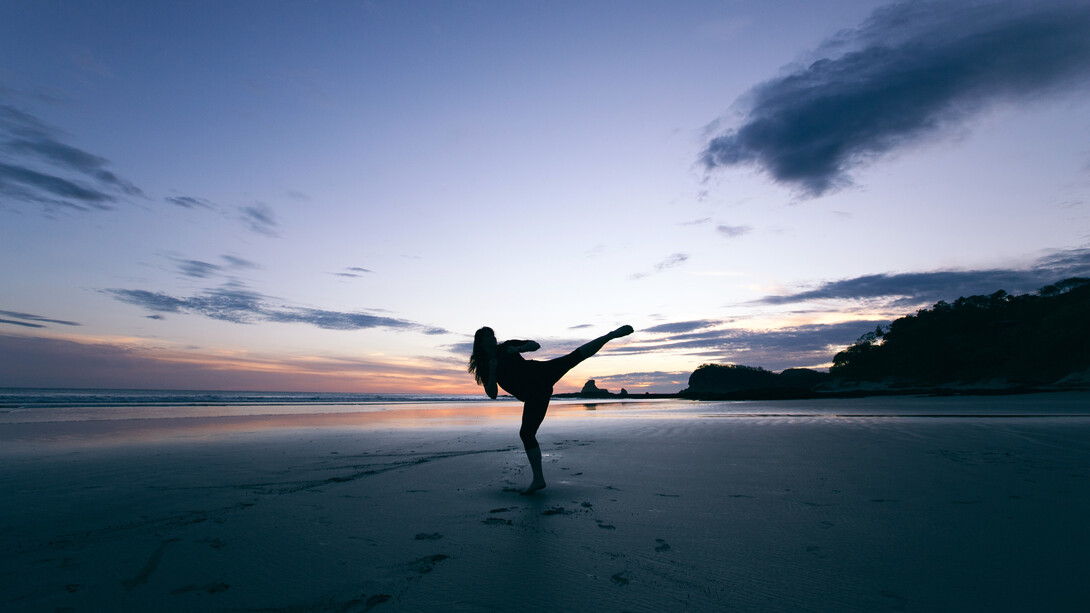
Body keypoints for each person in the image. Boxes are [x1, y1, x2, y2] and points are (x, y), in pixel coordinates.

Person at [468, 325, 634, 494]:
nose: (492, 338)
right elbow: (492, 394)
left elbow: (535, 345)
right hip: (535, 395)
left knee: (573, 358)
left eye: (493, 335)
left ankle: (610, 335)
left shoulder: (506, 346)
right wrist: (493, 371)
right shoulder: (484, 365)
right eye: (488, 336)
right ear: (480, 342)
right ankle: (538, 480)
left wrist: (517, 348)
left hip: (541, 374)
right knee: (526, 434)